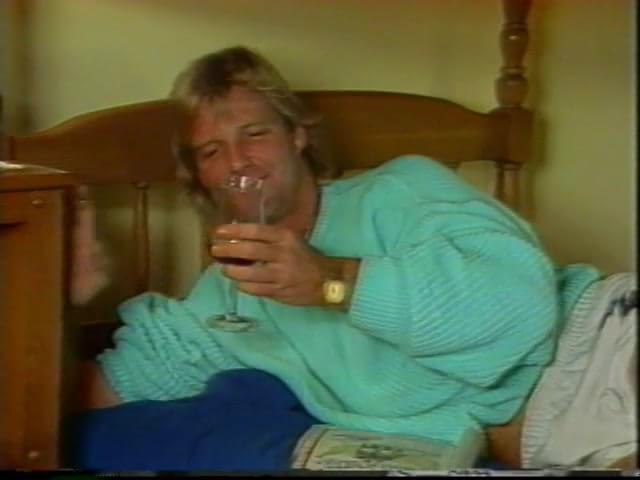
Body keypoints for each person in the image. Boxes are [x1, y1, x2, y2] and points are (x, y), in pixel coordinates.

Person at [69, 46, 637, 471]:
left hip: (601, 342)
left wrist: (332, 281)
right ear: (201, 177)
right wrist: (69, 296)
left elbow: (522, 308)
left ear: (297, 136)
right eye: (213, 151)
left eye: (255, 134)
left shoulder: (400, 192)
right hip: (558, 436)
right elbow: (82, 398)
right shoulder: (220, 304)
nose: (240, 161)